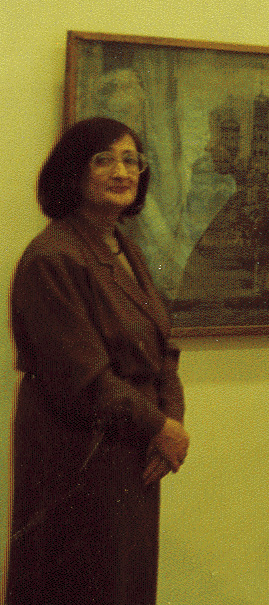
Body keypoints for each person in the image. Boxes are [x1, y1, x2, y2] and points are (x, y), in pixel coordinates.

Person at [6, 117, 189, 605]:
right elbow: (84, 378)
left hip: (133, 449)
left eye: (131, 160)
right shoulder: (53, 257)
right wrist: (161, 428)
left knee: (126, 585)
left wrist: (171, 421)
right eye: (103, 159)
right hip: (79, 452)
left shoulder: (123, 247)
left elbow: (163, 350)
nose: (121, 172)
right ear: (72, 171)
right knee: (82, 585)